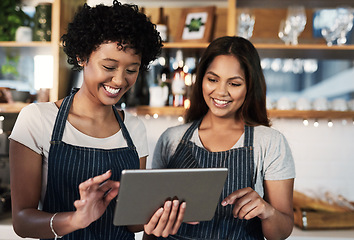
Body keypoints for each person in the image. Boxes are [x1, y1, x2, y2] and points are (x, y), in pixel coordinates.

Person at [9, 1, 185, 239]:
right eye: (109, 66)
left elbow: (133, 225)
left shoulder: (134, 128)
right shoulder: (38, 119)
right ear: (82, 57)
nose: (120, 80)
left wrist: (159, 214)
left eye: (131, 70)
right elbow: (22, 221)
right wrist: (75, 219)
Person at [147, 36, 295, 240]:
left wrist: (266, 210)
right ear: (201, 80)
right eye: (212, 79)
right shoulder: (171, 139)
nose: (221, 92)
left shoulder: (270, 142)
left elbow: (282, 230)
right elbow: (153, 223)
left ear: (250, 87)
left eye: (234, 83)